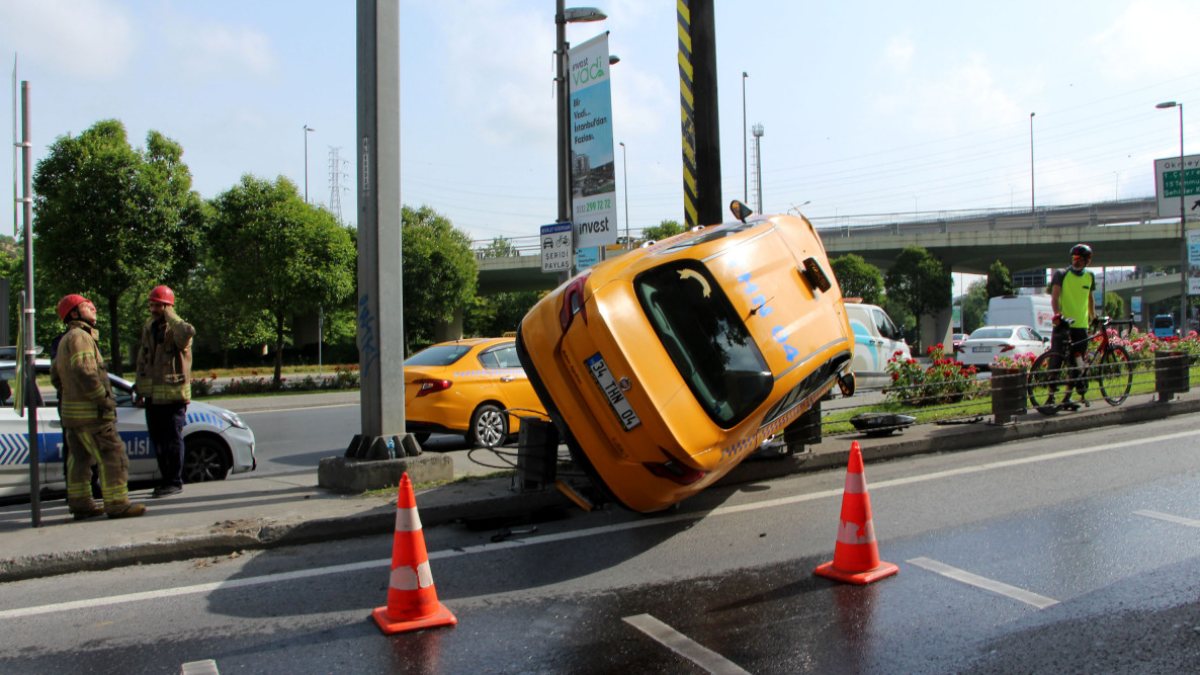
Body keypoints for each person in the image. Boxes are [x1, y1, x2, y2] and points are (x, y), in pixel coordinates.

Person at [51, 294, 146, 519]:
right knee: (113, 455)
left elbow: (56, 376)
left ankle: (81, 503)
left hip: (73, 416)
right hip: (92, 415)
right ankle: (117, 504)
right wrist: (103, 398)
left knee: (79, 460)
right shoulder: (81, 337)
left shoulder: (65, 339)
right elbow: (85, 372)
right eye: (86, 306)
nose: (93, 308)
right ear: (74, 314)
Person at [135, 285, 195, 498]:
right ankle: (166, 480)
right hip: (153, 399)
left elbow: (188, 331)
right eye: (152, 304)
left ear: (168, 307)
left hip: (172, 399)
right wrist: (140, 390)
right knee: (159, 442)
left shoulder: (177, 331)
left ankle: (174, 481)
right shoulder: (149, 327)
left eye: (158, 305)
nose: (153, 308)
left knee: (171, 441)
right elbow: (144, 361)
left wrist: (171, 315)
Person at [1047, 243, 1097, 406]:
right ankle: (1051, 395)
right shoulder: (1062, 274)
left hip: (1081, 326)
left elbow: (1089, 298)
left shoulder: (1089, 277)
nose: (1076, 262)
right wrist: (1057, 315)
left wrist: (1093, 316)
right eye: (1074, 258)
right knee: (1056, 360)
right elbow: (1054, 297)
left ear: (1087, 261)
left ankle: (1067, 398)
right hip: (1063, 324)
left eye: (1080, 259)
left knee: (1077, 364)